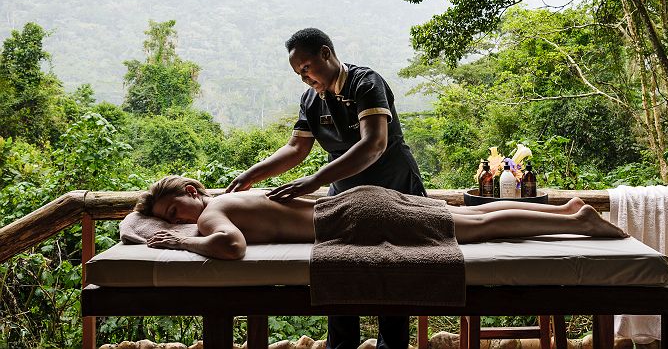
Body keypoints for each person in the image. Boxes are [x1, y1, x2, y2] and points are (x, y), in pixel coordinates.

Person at [225, 28, 427, 349]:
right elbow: (295, 149)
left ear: (325, 53)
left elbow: (374, 144)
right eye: (298, 74)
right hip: (346, 198)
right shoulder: (311, 100)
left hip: (394, 190)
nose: (304, 78)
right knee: (338, 273)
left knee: (392, 280)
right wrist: (250, 176)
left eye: (306, 68)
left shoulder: (365, 83)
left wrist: (315, 180)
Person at [138, 176, 628, 261]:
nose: (178, 222)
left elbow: (232, 248)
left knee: (476, 229)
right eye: (171, 220)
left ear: (190, 193)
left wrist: (180, 244)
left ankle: (580, 223)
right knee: (466, 215)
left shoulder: (212, 216)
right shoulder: (228, 198)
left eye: (173, 212)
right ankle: (565, 210)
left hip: (354, 218)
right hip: (359, 202)